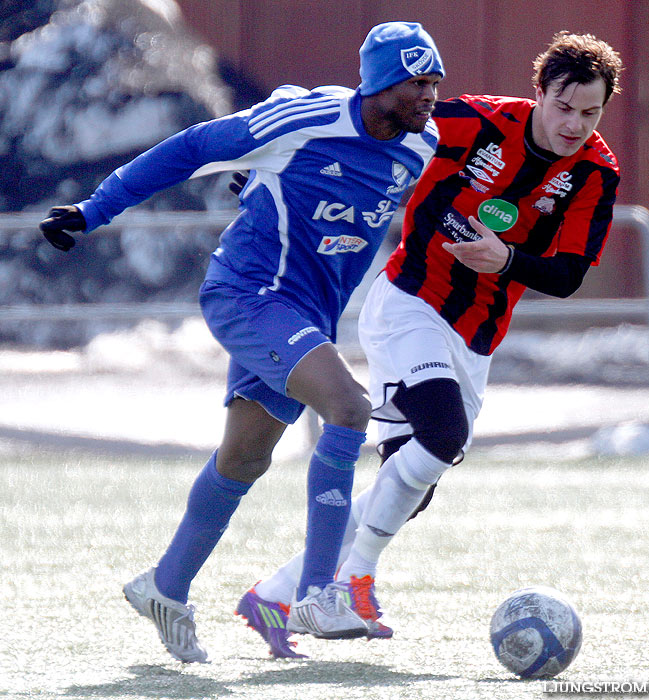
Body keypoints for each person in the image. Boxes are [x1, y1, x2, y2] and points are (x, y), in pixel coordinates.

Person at [39, 21, 444, 663]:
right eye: (418, 83)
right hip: (249, 294)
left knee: (244, 459)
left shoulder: (421, 148)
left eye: (434, 83)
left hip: (304, 315)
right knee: (348, 408)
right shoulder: (304, 120)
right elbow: (191, 148)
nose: (429, 96)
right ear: (380, 84)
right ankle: (315, 593)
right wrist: (95, 210)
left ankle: (165, 587)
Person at [235, 30, 623, 659]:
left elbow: (570, 274)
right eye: (563, 106)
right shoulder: (474, 121)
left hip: (476, 337)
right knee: (441, 437)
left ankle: (275, 596)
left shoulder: (596, 173)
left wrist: (508, 259)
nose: (574, 124)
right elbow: (369, 118)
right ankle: (353, 580)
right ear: (539, 94)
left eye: (590, 112)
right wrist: (274, 159)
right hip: (409, 304)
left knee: (410, 486)